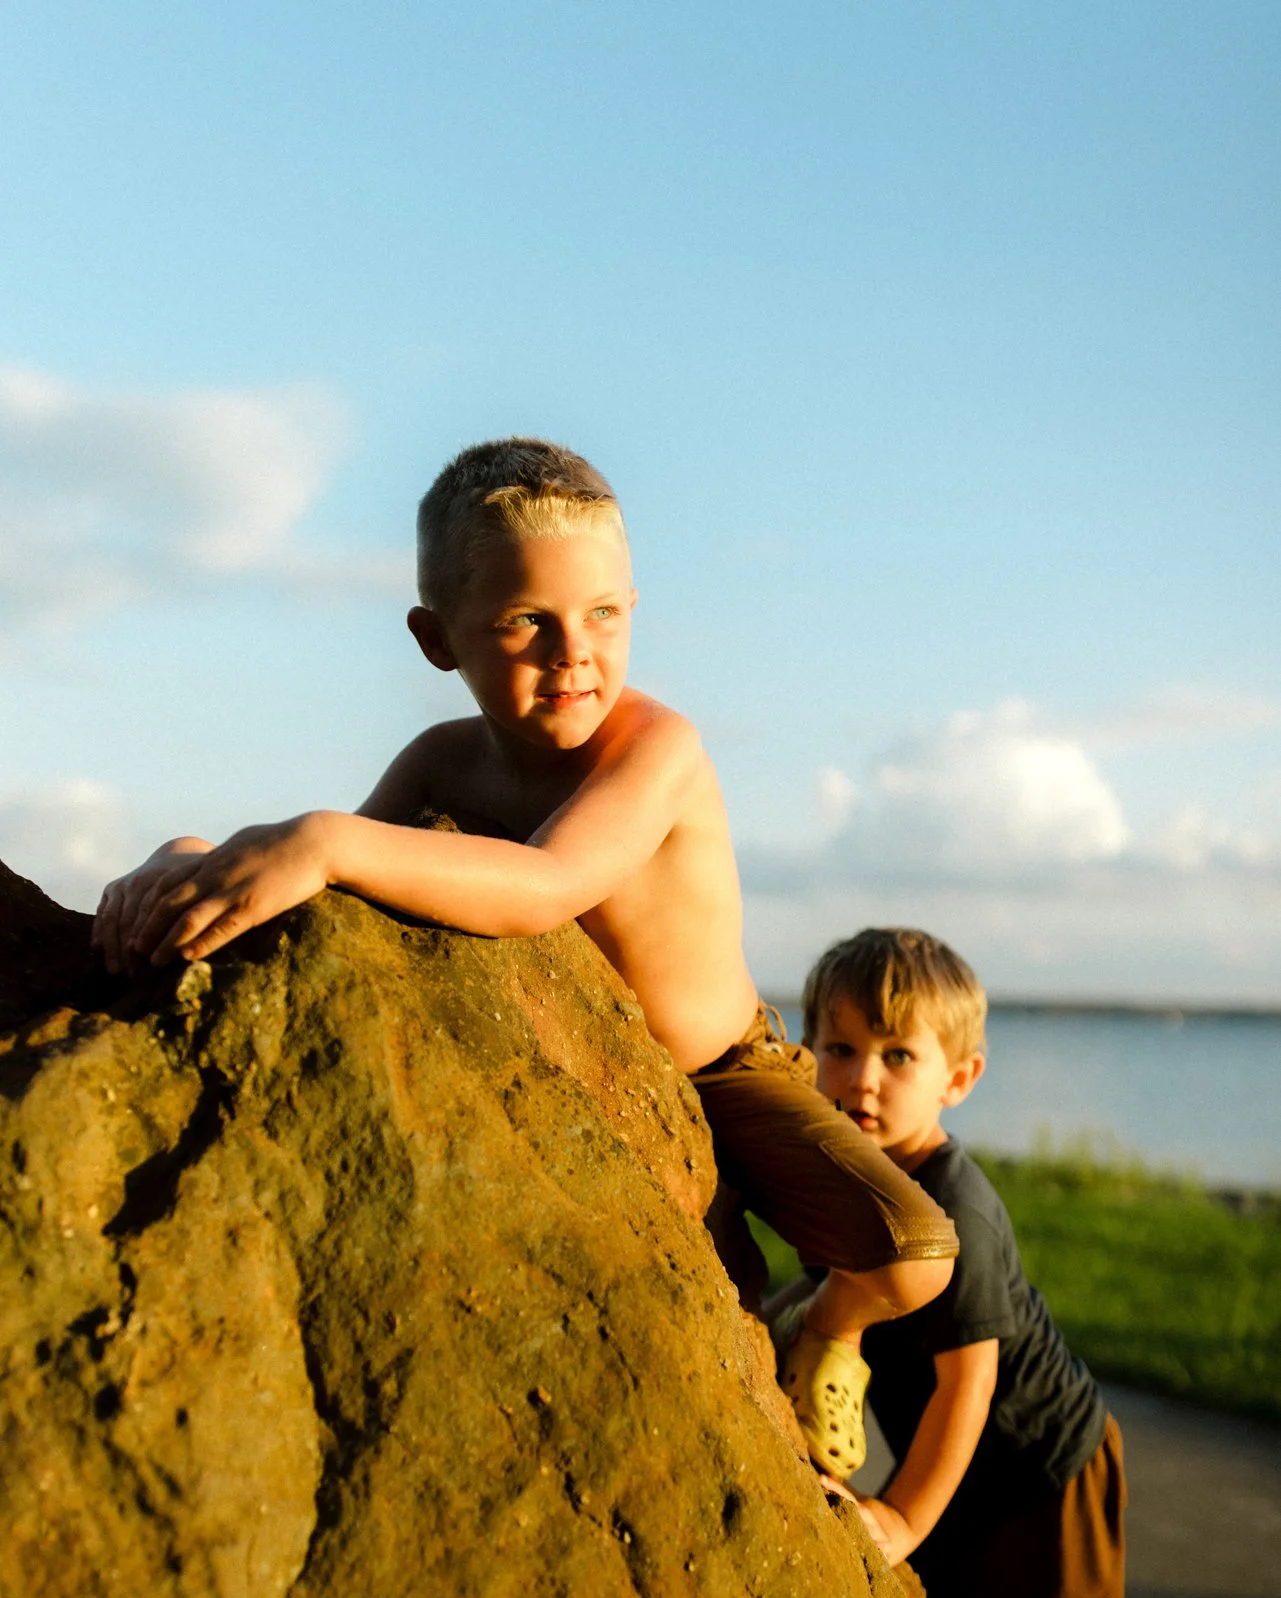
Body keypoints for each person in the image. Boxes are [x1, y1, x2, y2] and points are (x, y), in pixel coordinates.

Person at [91, 438, 957, 1455]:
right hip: (600, 1091)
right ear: (436, 638)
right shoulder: (439, 762)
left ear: (633, 608)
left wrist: (322, 836)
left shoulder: (655, 750)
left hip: (724, 1070)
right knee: (698, 1319)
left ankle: (826, 1334)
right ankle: (756, 1353)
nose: (572, 652)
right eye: (524, 622)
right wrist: (186, 859)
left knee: (913, 1257)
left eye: (600, 615)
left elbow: (542, 884)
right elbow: (337, 905)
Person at [768, 926, 1163, 1598]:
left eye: (899, 1055)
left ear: (961, 1077)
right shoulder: (853, 1173)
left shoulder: (956, 1208)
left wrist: (901, 1519)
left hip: (1041, 1465)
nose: (863, 1077)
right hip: (966, 1483)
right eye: (842, 1046)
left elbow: (966, 1392)